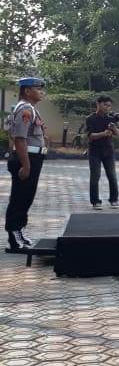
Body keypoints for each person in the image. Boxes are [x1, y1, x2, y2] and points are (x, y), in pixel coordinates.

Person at [5, 77, 48, 251]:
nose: (41, 91)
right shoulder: (25, 110)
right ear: (27, 91)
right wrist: (26, 165)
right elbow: (20, 139)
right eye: (38, 88)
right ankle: (14, 237)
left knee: (26, 197)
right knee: (20, 198)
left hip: (32, 157)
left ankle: (20, 231)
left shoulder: (30, 109)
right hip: (27, 158)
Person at [84, 95, 119, 210]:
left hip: (108, 151)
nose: (107, 107)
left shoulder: (111, 118)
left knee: (112, 176)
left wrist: (113, 128)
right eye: (105, 105)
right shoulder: (90, 118)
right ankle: (95, 201)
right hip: (94, 151)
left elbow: (117, 133)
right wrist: (103, 133)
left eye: (109, 105)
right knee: (95, 176)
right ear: (98, 104)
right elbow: (90, 136)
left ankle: (114, 199)